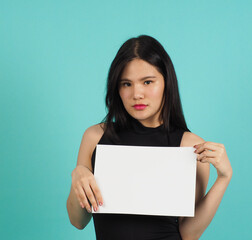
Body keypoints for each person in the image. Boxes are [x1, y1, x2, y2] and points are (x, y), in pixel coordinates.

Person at [66, 35, 233, 240]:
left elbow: (189, 233)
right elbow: (78, 221)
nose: (137, 94)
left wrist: (223, 179)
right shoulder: (95, 137)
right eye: (126, 84)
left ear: (166, 82)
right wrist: (78, 174)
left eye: (147, 82)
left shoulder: (190, 146)